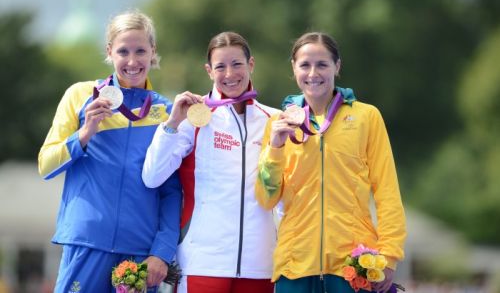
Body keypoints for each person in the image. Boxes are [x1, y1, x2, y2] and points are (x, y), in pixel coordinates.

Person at [38, 10, 182, 293]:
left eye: (141, 50)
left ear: (153, 52)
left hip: (139, 252)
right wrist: (85, 133)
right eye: (123, 51)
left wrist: (161, 252)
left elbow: (172, 191)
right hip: (86, 242)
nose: (132, 61)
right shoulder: (80, 95)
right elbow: (46, 164)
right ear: (109, 52)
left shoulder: (167, 112)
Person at [255, 32, 407, 293]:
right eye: (305, 65)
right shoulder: (279, 123)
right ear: (294, 68)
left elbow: (387, 191)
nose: (313, 73)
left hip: (353, 265)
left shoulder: (366, 117)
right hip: (295, 264)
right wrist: (276, 147)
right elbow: (266, 198)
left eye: (322, 64)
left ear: (337, 66)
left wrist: (389, 254)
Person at [142, 32, 280, 293]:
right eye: (220, 66)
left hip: (260, 263)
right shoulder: (193, 117)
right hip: (203, 262)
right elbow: (152, 176)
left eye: (237, 64)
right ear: (209, 71)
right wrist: (172, 123)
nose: (230, 74)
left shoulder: (273, 120)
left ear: (251, 65)